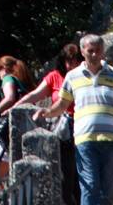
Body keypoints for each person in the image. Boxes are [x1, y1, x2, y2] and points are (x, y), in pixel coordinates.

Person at [39, 33, 113, 205]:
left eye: (98, 50)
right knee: (89, 186)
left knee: (108, 189)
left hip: (111, 140)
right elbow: (62, 104)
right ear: (82, 51)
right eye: (90, 51)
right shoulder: (72, 76)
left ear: (103, 51)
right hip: (85, 140)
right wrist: (47, 112)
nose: (95, 54)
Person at [16, 43, 82, 205]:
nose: (70, 65)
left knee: (82, 174)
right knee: (66, 173)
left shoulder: (84, 76)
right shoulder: (54, 76)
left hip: (83, 126)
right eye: (68, 61)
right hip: (64, 130)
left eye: (74, 61)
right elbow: (36, 94)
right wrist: (16, 106)